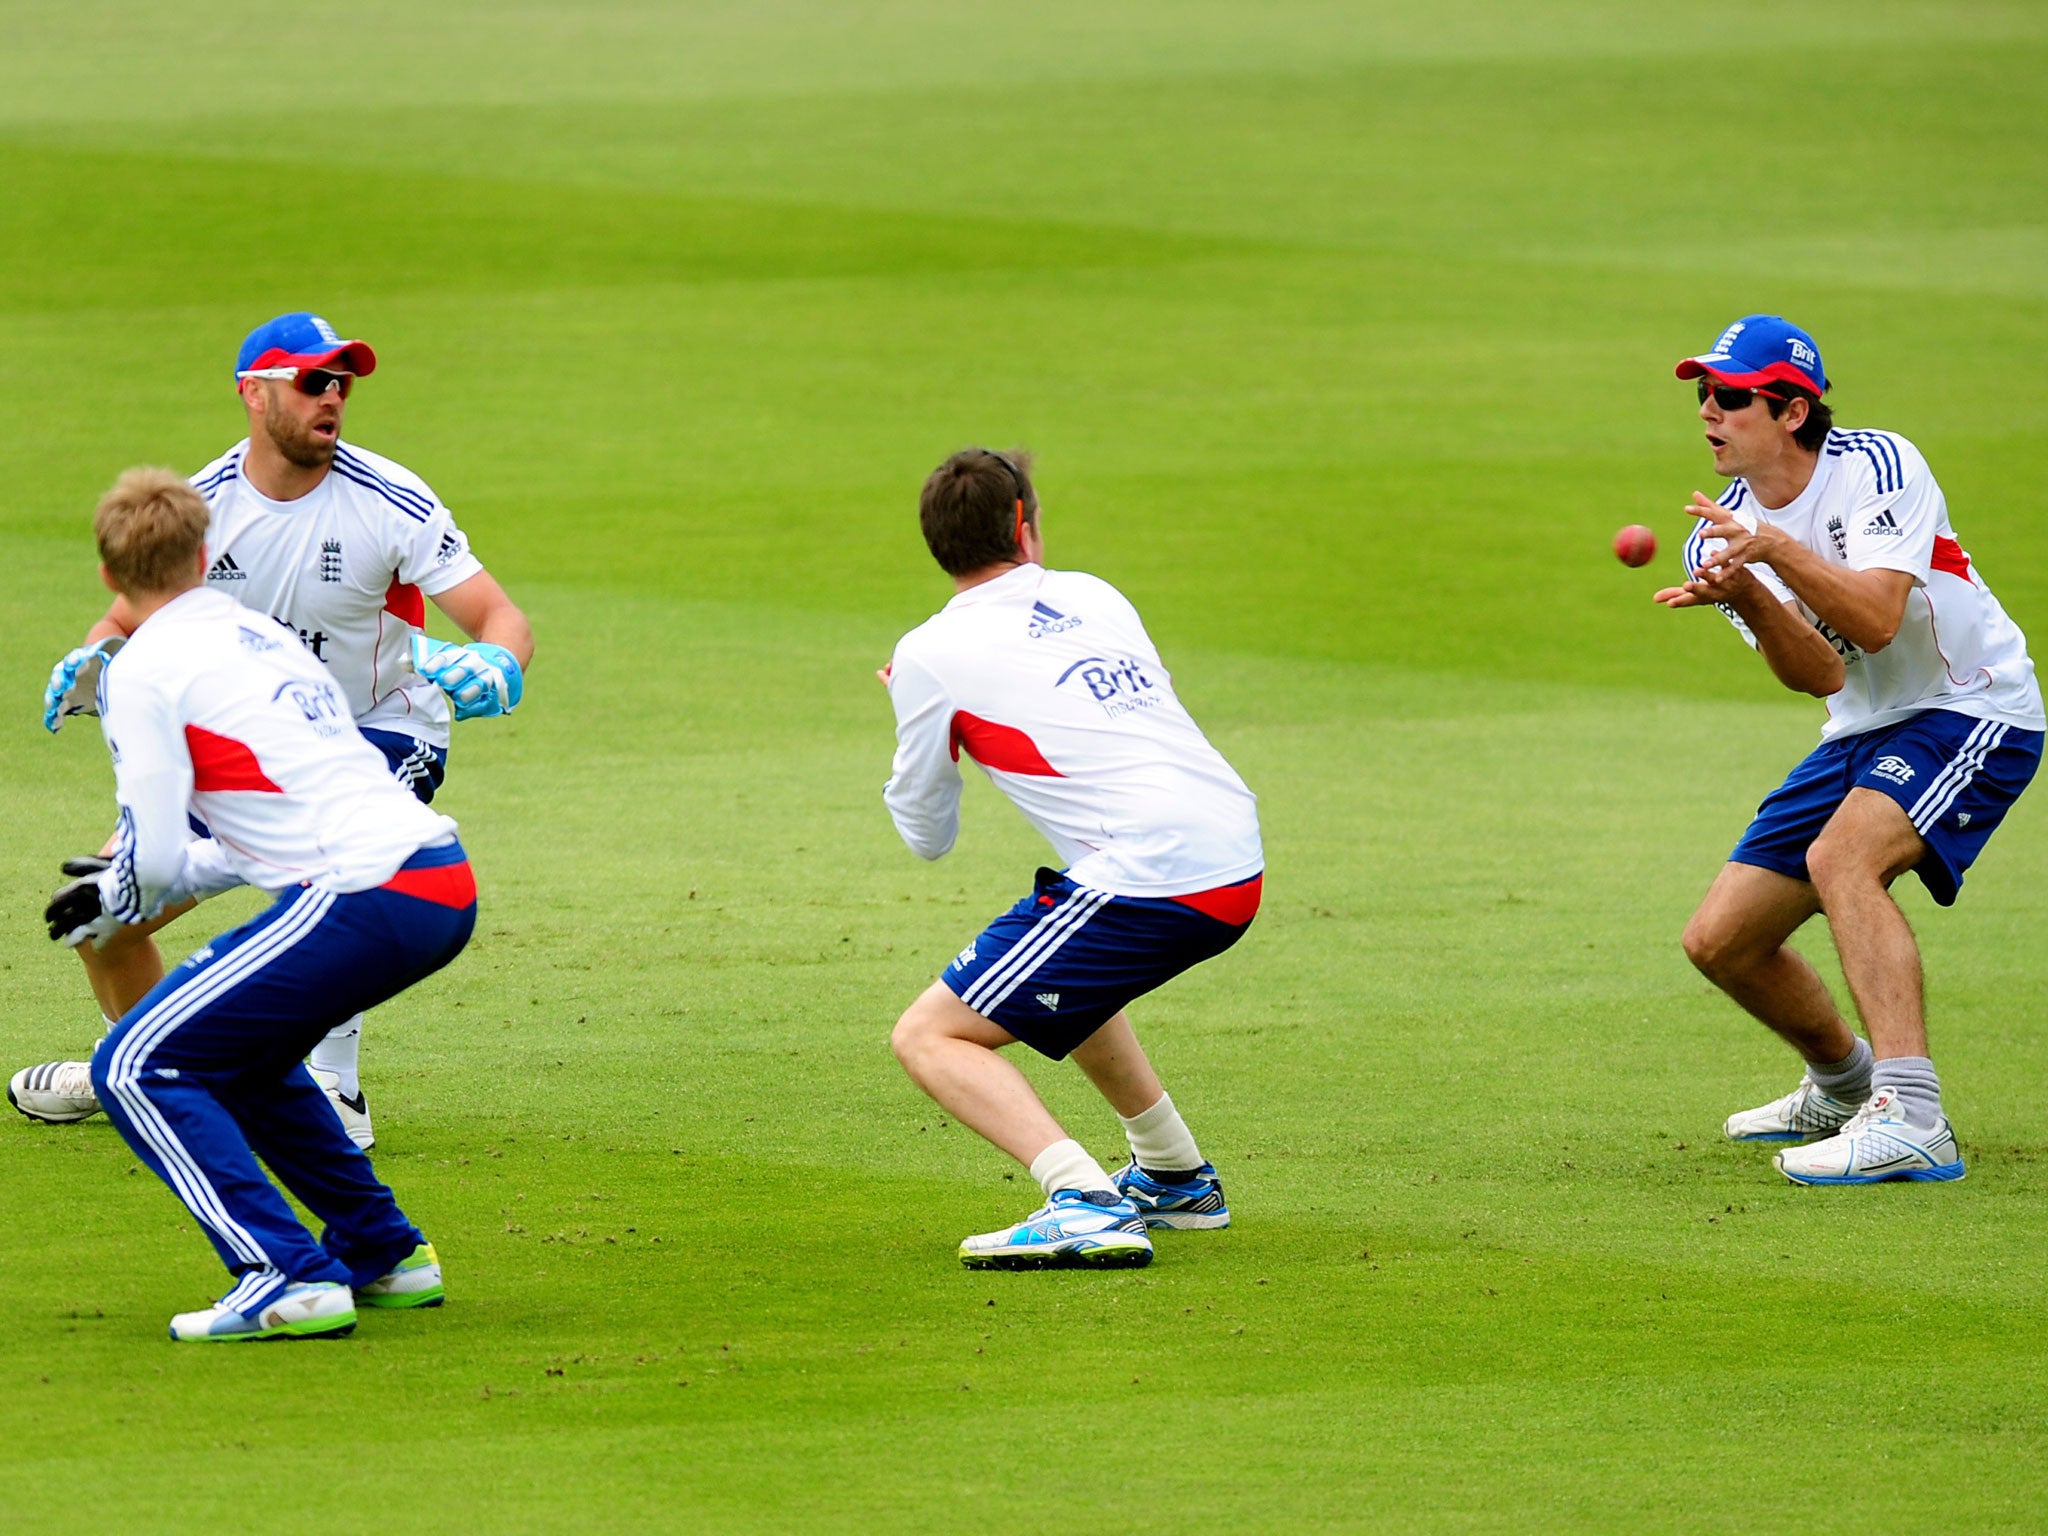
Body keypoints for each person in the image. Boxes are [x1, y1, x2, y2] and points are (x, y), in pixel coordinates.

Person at [10, 312, 532, 1148]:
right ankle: (154, 1069)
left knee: (335, 887)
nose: (334, 397)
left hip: (380, 732)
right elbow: (124, 615)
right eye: (313, 381)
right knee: (102, 916)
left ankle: (332, 1084)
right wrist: (93, 658)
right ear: (255, 393)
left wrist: (498, 665)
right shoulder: (204, 506)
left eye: (343, 383)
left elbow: (498, 617)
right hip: (251, 741)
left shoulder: (389, 497)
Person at [49, 467, 477, 1340]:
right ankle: (383, 1253)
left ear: (108, 577)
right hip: (438, 874)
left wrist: (116, 895)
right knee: (243, 1057)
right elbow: (253, 831)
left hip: (365, 889)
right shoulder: (263, 636)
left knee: (134, 1065)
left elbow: (158, 854)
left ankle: (284, 1273)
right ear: (206, 555)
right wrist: (126, 888)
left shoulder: (142, 671)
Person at [1660, 315, 2043, 1185]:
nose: (1707, 412)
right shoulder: (1718, 532)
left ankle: (1913, 1118)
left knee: (1843, 859)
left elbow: (1871, 617)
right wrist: (1751, 597)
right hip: (1861, 726)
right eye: (1702, 395)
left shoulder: (1877, 464)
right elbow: (1823, 674)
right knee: (1722, 941)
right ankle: (1844, 1083)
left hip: (1971, 705)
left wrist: (1778, 554)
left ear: (1793, 410)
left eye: (1729, 396)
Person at [883, 448, 1264, 1267]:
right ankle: (1172, 1175)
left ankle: (1081, 1197)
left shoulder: (927, 654)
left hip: (1152, 875)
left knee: (929, 1036)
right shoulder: (1095, 595)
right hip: (1230, 851)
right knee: (1068, 977)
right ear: (1022, 525)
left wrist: (919, 714)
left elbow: (927, 837)